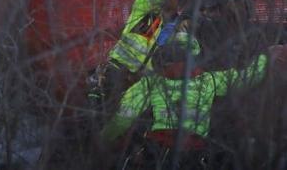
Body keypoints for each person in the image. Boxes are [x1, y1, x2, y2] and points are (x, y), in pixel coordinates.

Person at [101, 31, 280, 170]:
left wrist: (100, 141)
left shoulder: (151, 83)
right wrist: (266, 56)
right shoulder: (209, 80)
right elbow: (248, 78)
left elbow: (122, 119)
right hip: (194, 156)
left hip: (156, 153)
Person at [91, 0, 199, 109]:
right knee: (100, 108)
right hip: (117, 70)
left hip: (140, 83)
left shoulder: (174, 25)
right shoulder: (143, 7)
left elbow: (191, 50)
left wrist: (185, 38)